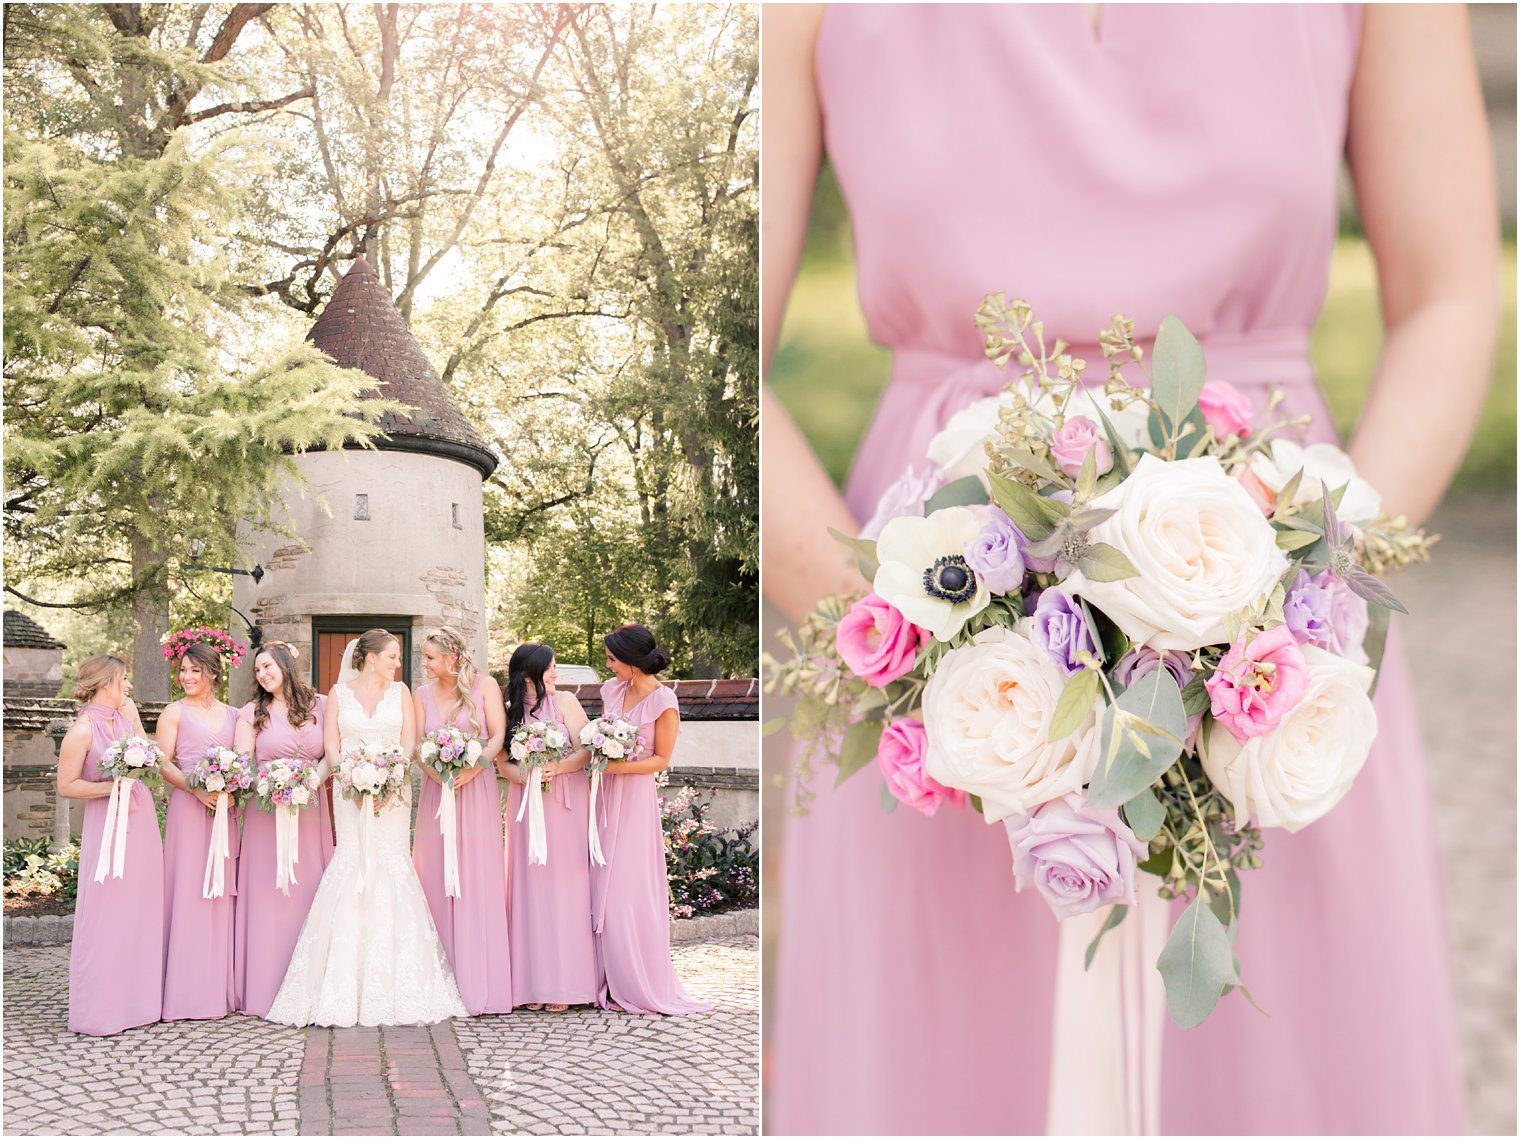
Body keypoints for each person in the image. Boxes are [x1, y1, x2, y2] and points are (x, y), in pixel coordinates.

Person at [762, 5, 1498, 1134]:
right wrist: (914, 647)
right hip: (942, 623)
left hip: (1273, 637)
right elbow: (719, 360)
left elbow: (1448, 294)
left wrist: (1308, 599)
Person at [266, 629, 466, 1027]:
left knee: (391, 863)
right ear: (370, 657)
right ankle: (341, 982)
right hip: (348, 791)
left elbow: (408, 745)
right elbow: (333, 745)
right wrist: (351, 782)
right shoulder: (339, 694)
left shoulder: (402, 693)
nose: (398, 664)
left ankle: (398, 981)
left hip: (393, 795)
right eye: (392, 656)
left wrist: (389, 784)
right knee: (353, 861)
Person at [591, 624, 711, 1016]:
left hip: (635, 799)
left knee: (627, 890)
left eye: (612, 659)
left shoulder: (664, 701)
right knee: (598, 882)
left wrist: (613, 768)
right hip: (602, 798)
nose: (608, 666)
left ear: (631, 662)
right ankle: (600, 978)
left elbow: (661, 760)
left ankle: (636, 980)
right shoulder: (611, 690)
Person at [57, 655, 164, 1035]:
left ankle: (139, 1004)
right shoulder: (82, 730)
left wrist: (133, 718)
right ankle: (100, 1010)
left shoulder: (124, 715)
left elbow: (147, 757)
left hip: (141, 820)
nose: (130, 686)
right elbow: (66, 785)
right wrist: (111, 788)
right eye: (124, 679)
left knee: (140, 910)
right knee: (107, 914)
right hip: (108, 826)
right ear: (106, 682)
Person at [412, 626, 512, 1016]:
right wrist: (441, 777)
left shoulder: (485, 686)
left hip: (477, 791)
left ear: (451, 659)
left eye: (430, 658)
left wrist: (476, 768)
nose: (424, 663)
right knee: (435, 875)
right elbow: (420, 745)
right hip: (439, 793)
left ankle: (480, 982)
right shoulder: (421, 695)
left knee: (476, 879)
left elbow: (498, 736)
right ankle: (439, 982)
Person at [232, 642, 335, 1018]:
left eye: (267, 666)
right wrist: (273, 783)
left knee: (309, 890)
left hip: (311, 809)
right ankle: (264, 988)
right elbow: (243, 764)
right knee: (269, 893)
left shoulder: (320, 705)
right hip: (266, 812)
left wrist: (308, 782)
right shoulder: (250, 713)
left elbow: (330, 754)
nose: (262, 674)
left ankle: (311, 986)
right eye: (257, 669)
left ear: (286, 664)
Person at [500, 642, 598, 1012]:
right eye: (551, 667)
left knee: (565, 891)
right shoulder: (511, 712)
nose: (557, 674)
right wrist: (527, 776)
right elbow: (503, 765)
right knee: (531, 892)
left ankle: (565, 985)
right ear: (528, 674)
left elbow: (585, 749)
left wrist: (558, 768)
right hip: (527, 804)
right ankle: (532, 985)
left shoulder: (567, 703)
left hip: (565, 802)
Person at [157, 642, 239, 1022]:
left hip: (225, 813)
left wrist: (231, 789)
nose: (186, 677)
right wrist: (195, 788)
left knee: (222, 891)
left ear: (213, 674)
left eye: (195, 670)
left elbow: (243, 763)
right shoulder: (174, 712)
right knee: (189, 889)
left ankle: (219, 988)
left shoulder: (235, 715)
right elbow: (162, 762)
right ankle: (185, 991)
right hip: (189, 811)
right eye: (183, 671)